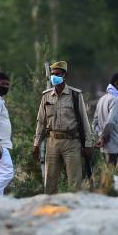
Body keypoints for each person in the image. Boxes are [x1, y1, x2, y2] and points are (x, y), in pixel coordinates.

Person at [32, 61, 93, 194]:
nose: (55, 77)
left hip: (72, 143)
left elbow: (84, 120)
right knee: (50, 182)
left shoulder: (75, 95)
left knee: (74, 182)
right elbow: (41, 122)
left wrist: (88, 143)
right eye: (53, 74)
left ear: (65, 75)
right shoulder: (46, 96)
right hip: (52, 143)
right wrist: (36, 144)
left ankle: (74, 210)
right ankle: (49, 209)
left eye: (58, 74)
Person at [93, 73, 118, 166]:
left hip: (104, 148)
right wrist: (104, 137)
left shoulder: (102, 99)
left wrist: (101, 136)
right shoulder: (116, 100)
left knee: (109, 176)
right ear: (117, 83)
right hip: (115, 147)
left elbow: (94, 123)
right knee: (115, 177)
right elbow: (110, 122)